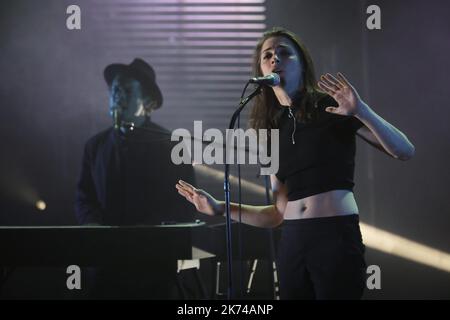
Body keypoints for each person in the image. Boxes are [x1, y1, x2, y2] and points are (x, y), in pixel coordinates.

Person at [175, 27, 415, 300]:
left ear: (302, 64)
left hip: (333, 236)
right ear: (261, 69)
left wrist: (361, 111)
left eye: (284, 53)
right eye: (267, 55)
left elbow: (404, 150)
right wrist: (220, 208)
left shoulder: (331, 106)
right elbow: (278, 214)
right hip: (292, 242)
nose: (274, 58)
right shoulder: (270, 130)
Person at [75, 58, 196, 299]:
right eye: (114, 90)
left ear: (149, 103)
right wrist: (94, 225)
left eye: (127, 90)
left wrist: (149, 231)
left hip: (153, 268)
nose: (117, 96)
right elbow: (84, 197)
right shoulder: (95, 146)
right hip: (105, 266)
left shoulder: (171, 144)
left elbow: (185, 203)